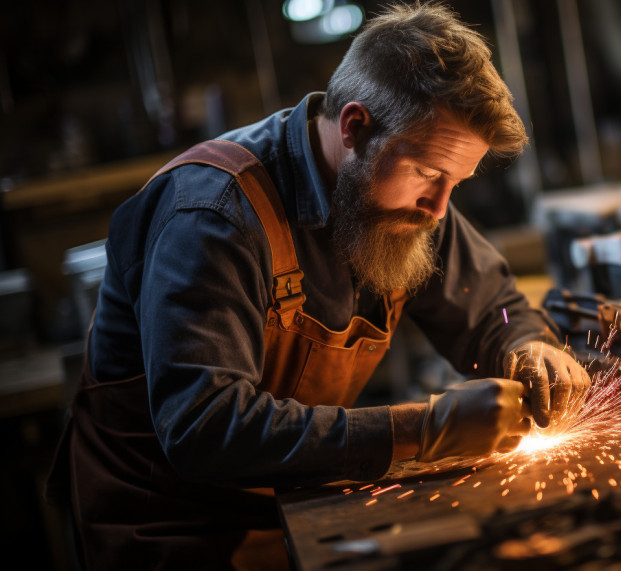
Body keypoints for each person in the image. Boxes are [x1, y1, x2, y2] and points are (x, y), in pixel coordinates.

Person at [45, 2, 591, 569]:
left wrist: (528, 347)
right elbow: (203, 428)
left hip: (291, 503)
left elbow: (491, 310)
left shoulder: (412, 203)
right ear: (355, 127)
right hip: (170, 534)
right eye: (430, 173)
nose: (439, 207)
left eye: (456, 181)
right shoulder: (213, 216)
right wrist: (424, 428)